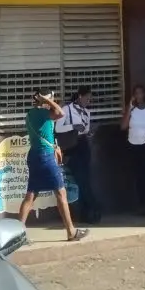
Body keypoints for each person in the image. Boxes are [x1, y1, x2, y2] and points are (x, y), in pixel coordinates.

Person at [18, 91, 87, 241]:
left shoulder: (31, 114)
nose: (54, 101)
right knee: (61, 194)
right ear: (44, 102)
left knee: (30, 195)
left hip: (35, 156)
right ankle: (71, 231)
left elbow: (46, 131)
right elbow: (61, 113)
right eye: (51, 99)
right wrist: (47, 100)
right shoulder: (43, 113)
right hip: (45, 157)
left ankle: (17, 234)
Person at [56, 87, 101, 224]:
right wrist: (73, 127)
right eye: (87, 97)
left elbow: (85, 129)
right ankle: (94, 208)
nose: (89, 100)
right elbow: (57, 128)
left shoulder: (86, 112)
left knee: (84, 180)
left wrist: (89, 132)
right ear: (79, 96)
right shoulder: (66, 109)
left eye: (90, 98)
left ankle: (86, 213)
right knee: (81, 180)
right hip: (71, 147)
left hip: (83, 146)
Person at [121, 84, 145, 216]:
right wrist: (129, 108)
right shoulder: (131, 110)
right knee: (139, 177)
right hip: (134, 146)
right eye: (135, 94)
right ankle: (142, 206)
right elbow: (123, 127)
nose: (138, 96)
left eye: (140, 93)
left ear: (144, 95)